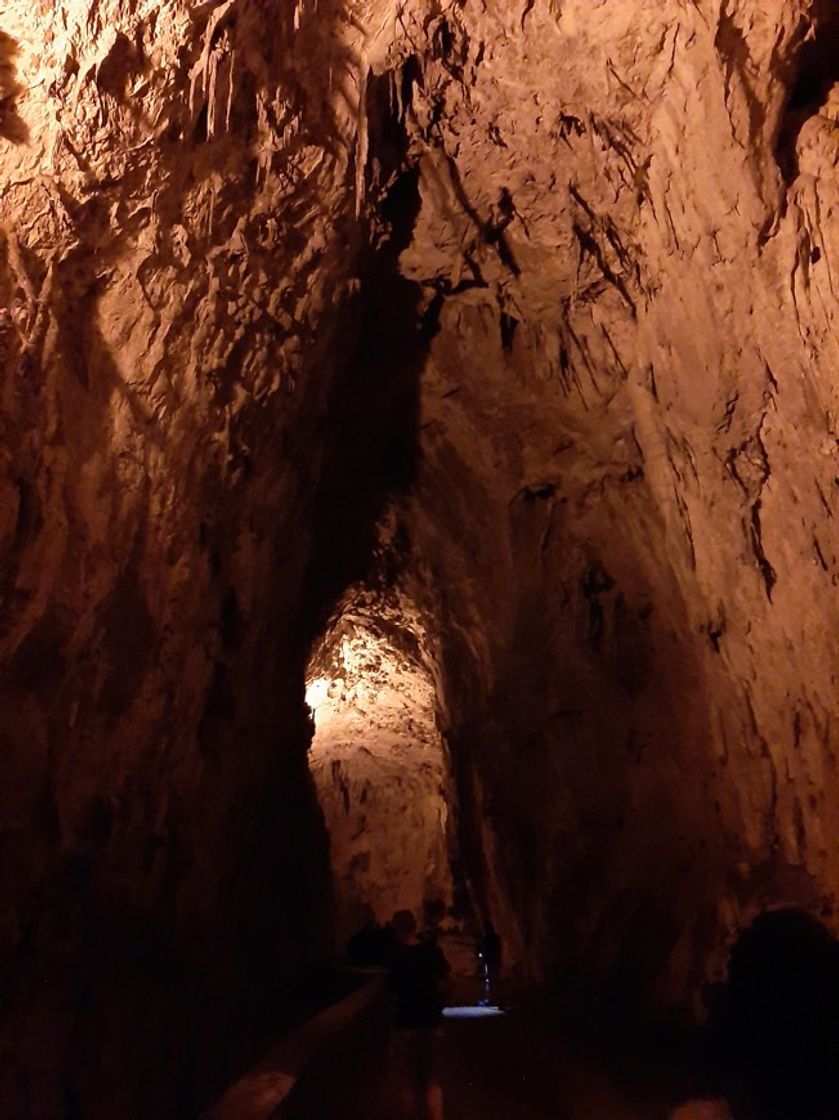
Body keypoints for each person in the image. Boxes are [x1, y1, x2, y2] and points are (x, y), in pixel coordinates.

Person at [388, 909, 451, 1120]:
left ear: (397, 929)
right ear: (414, 926)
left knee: (407, 1083)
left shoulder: (396, 957)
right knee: (433, 1083)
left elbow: (392, 993)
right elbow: (445, 983)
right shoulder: (432, 952)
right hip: (432, 1024)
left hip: (406, 1025)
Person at [477, 920, 501, 1007]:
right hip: (496, 961)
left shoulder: (486, 938)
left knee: (491, 981)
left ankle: (492, 999)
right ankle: (497, 999)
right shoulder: (496, 937)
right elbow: (498, 949)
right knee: (496, 980)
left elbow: (484, 950)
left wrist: (482, 960)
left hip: (490, 961)